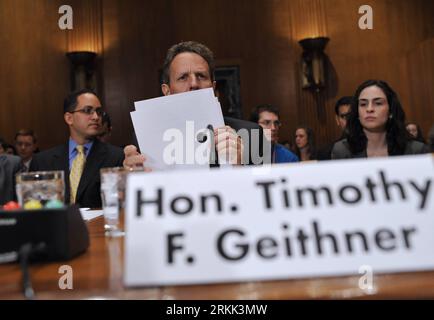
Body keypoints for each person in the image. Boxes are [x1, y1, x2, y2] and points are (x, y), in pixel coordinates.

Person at [123, 41, 267, 170]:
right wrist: (129, 178)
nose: (193, 84)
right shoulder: (146, 140)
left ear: (213, 87)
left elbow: (266, 195)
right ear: (167, 91)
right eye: (183, 77)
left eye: (201, 76)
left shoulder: (250, 133)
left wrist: (240, 166)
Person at [30, 89, 124, 208]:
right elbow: (33, 207)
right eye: (87, 111)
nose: (96, 117)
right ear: (69, 118)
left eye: (99, 112)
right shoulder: (42, 161)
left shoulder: (116, 157)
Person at [332, 80, 430, 159]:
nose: (369, 109)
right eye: (363, 104)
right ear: (357, 112)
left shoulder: (416, 151)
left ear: (391, 110)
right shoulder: (342, 150)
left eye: (378, 103)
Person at [317, 96, 353, 160]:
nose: (349, 120)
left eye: (352, 115)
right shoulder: (325, 153)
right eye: (344, 116)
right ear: (337, 120)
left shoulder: (372, 147)